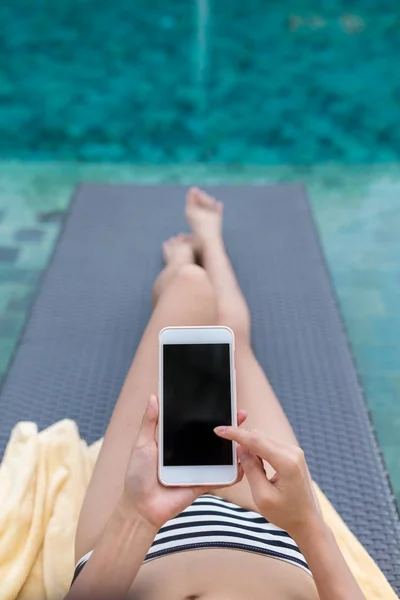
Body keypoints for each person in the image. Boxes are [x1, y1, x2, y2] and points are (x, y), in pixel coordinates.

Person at [66, 188, 366, 600]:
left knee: (189, 289)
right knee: (231, 338)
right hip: (276, 536)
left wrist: (136, 515)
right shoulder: (296, 527)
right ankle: (212, 244)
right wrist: (309, 524)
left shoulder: (135, 516)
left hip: (131, 541)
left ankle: (182, 263)